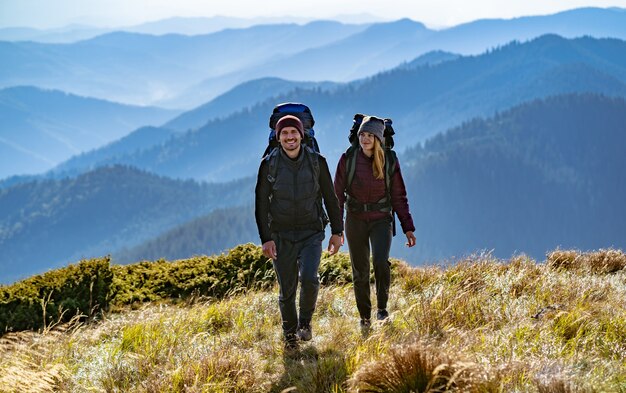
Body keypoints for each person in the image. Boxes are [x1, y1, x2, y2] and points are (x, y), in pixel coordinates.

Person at [255, 114, 344, 350]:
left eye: (293, 132)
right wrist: (266, 238)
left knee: (309, 279)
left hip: (311, 232)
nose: (289, 137)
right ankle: (289, 336)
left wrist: (337, 231)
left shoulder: (317, 161)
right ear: (278, 137)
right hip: (281, 235)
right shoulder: (268, 164)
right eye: (284, 133)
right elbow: (261, 203)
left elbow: (330, 198)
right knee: (287, 290)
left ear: (301, 135)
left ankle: (305, 324)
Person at [333, 115, 416, 329]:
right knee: (360, 270)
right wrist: (336, 227)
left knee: (380, 261)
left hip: (381, 219)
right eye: (362, 134)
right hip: (355, 219)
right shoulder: (348, 159)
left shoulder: (389, 160)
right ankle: (364, 317)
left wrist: (408, 227)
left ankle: (382, 309)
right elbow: (337, 195)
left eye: (370, 135)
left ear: (378, 138)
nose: (365, 139)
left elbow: (399, 196)